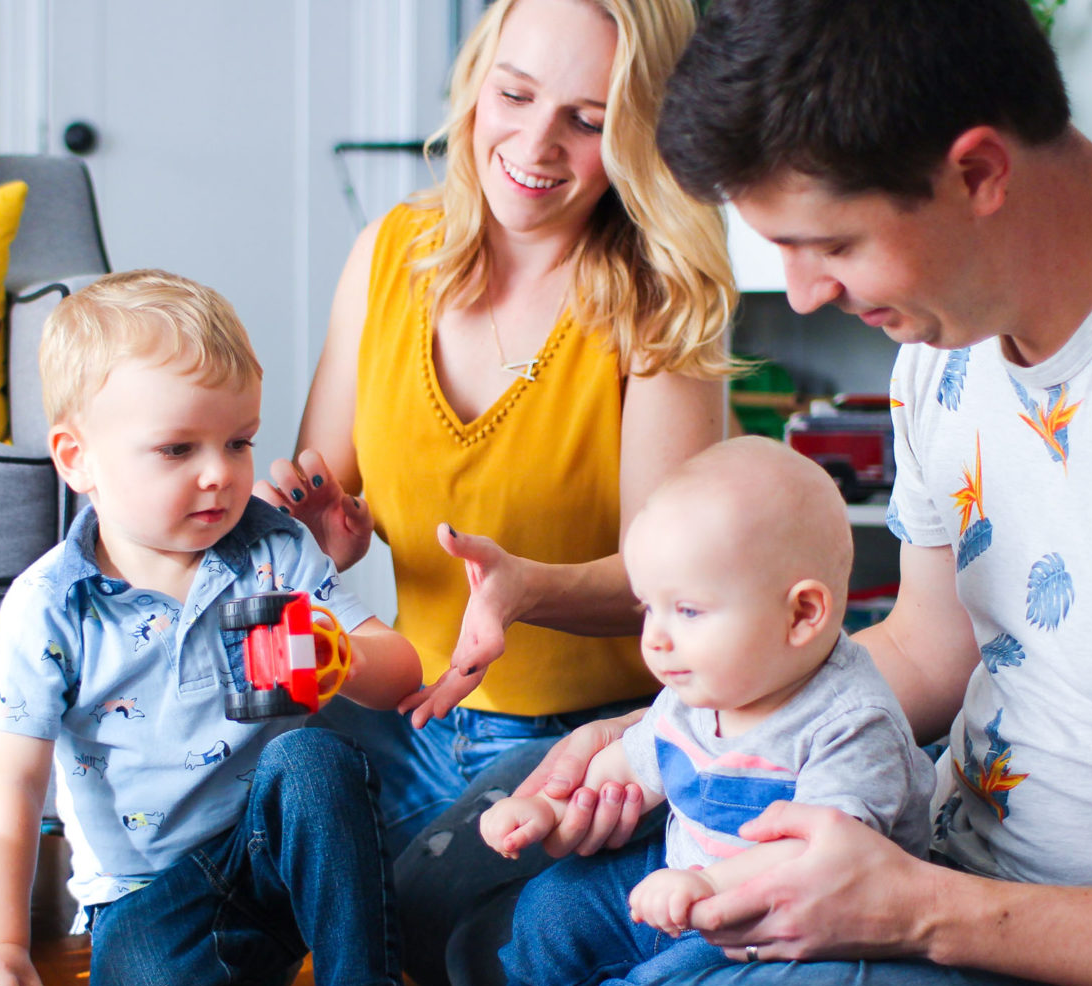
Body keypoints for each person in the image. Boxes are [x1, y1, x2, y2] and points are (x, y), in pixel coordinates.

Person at [467, 0, 1092, 986]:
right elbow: (928, 649)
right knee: (490, 905)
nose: (798, 296)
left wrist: (914, 916)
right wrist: (674, 728)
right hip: (945, 858)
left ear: (978, 172)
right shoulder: (950, 329)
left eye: (827, 245)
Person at [254, 0, 737, 869]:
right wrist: (305, 527)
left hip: (577, 744)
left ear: (638, 134)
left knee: (427, 920)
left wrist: (528, 589)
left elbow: (677, 586)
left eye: (586, 121)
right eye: (513, 95)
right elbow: (323, 494)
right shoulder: (390, 253)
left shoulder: (659, 300)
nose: (536, 144)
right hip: (407, 717)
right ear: (478, 83)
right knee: (245, 828)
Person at [0, 270, 426, 986]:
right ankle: (224, 981)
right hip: (151, 904)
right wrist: (1, 941)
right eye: (180, 450)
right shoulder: (51, 606)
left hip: (274, 863)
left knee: (316, 753)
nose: (220, 475)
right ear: (78, 460)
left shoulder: (271, 552)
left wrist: (342, 657)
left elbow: (400, 672)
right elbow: (11, 792)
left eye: (240, 442)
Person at [426, 438, 933, 986]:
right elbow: (630, 766)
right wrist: (549, 811)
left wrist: (703, 885)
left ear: (802, 615)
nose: (656, 640)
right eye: (649, 609)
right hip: (678, 883)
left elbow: (817, 863)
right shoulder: (701, 682)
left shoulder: (852, 725)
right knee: (550, 909)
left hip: (773, 931)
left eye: (687, 609)